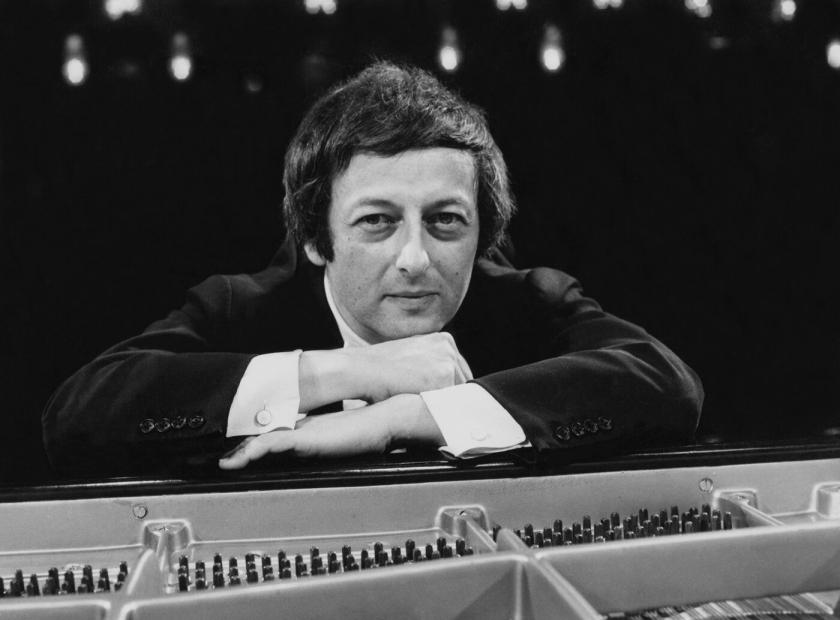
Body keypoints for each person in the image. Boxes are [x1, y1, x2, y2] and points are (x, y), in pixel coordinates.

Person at [42, 62, 703, 473]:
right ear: (315, 239)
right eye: (378, 221)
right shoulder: (243, 308)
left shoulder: (528, 301)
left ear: (483, 234)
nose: (415, 259)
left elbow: (667, 384)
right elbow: (78, 414)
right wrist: (352, 371)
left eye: (445, 221)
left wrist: (402, 416)